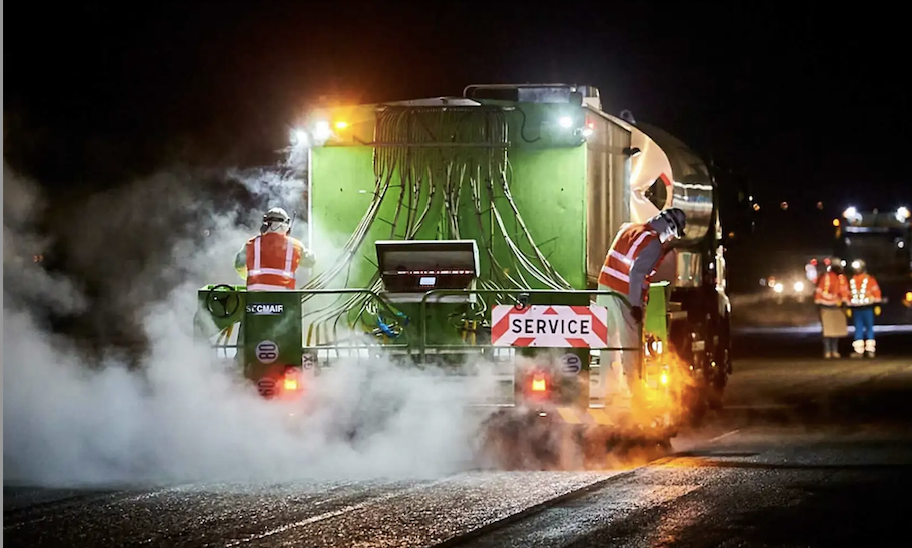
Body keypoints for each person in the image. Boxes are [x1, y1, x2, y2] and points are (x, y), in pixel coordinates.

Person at [596, 207, 687, 399]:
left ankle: (608, 391)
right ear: (669, 227)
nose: (671, 238)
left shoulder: (628, 228)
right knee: (631, 346)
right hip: (625, 296)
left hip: (604, 288)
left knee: (607, 344)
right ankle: (636, 394)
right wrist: (636, 305)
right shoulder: (652, 243)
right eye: (673, 234)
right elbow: (636, 274)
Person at [234, 207, 316, 291]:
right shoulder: (296, 246)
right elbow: (310, 262)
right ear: (286, 226)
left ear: (264, 225)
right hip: (285, 298)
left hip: (255, 298)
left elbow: (239, 265)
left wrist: (250, 277)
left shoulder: (251, 244)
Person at [845, 259, 882, 358]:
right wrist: (848, 306)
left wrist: (877, 305)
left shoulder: (870, 279)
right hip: (857, 309)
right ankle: (859, 351)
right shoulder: (852, 280)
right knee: (858, 329)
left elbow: (876, 292)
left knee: (869, 328)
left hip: (868, 308)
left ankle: (870, 350)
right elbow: (848, 294)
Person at [814, 258, 849, 358]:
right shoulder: (826, 277)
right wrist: (818, 304)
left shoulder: (842, 278)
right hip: (825, 306)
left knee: (836, 329)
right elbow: (820, 291)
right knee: (827, 330)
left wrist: (845, 303)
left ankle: (834, 350)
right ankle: (828, 351)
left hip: (837, 307)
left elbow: (845, 291)